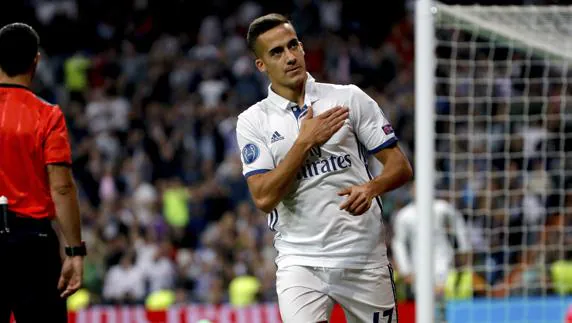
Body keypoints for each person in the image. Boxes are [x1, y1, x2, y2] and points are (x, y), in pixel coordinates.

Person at [236, 14, 413, 323]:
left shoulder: (348, 98)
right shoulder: (253, 121)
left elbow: (400, 166)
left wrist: (372, 187)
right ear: (261, 65)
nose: (290, 57)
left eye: (293, 46)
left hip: (363, 257)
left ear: (303, 48)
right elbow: (263, 198)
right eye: (277, 52)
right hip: (300, 262)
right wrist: (304, 142)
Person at [0, 23, 85, 322]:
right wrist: (74, 251)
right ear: (35, 60)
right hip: (32, 244)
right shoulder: (47, 115)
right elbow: (61, 188)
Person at [391, 183, 472, 320]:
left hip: (442, 257)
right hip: (417, 262)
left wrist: (464, 248)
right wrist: (405, 269)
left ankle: (441, 319)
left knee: (440, 295)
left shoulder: (441, 207)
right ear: (411, 192)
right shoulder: (405, 215)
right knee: (422, 299)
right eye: (415, 189)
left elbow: (458, 223)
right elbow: (398, 242)